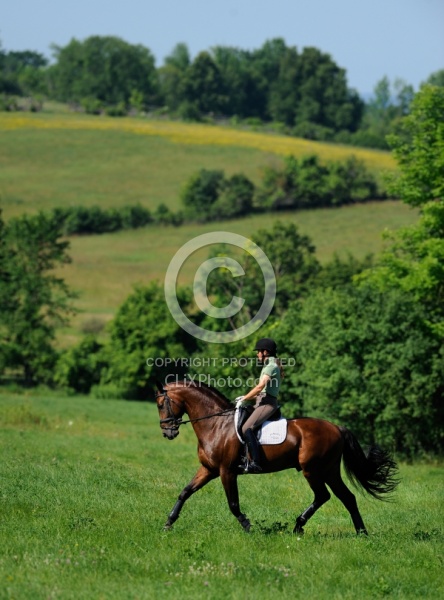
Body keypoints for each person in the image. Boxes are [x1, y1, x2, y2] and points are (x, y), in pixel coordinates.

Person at [237, 338, 283, 474]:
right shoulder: (269, 365)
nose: (257, 354)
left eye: (258, 352)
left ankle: (256, 463)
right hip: (261, 401)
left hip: (267, 403)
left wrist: (245, 398)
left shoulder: (271, 366)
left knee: (246, 428)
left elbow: (260, 387)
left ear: (265, 352)